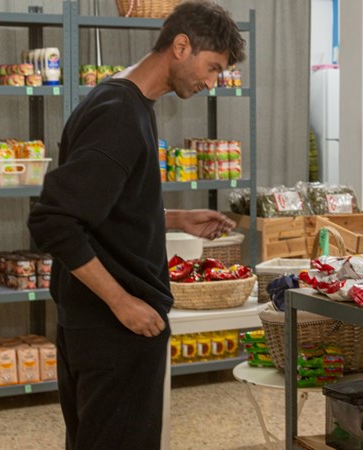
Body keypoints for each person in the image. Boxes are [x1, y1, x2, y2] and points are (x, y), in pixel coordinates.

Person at [27, 2, 246, 448]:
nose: (211, 82)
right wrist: (121, 301)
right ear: (180, 47)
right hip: (113, 328)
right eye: (212, 68)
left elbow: (103, 208)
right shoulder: (120, 115)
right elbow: (54, 220)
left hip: (105, 325)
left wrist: (175, 219)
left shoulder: (125, 101)